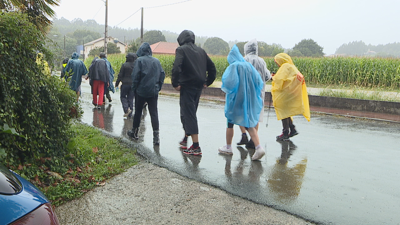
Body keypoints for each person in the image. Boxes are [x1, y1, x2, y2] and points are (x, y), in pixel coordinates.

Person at [171, 30, 217, 156]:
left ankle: (196, 146)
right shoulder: (201, 51)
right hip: (198, 87)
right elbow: (212, 68)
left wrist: (175, 83)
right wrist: (207, 82)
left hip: (187, 86)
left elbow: (176, 67)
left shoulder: (181, 50)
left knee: (188, 114)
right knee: (189, 113)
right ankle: (186, 138)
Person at [217, 45, 265, 161]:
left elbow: (228, 83)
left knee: (230, 122)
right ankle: (259, 147)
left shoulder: (234, 66)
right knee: (248, 123)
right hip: (248, 99)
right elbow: (259, 81)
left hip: (236, 99)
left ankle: (228, 147)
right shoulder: (248, 66)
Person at [127, 42, 165, 145]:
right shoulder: (156, 61)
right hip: (153, 91)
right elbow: (162, 75)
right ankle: (156, 137)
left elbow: (135, 76)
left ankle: (134, 132)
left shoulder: (139, 61)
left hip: (141, 91)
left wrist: (134, 89)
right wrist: (158, 88)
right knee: (154, 113)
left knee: (138, 112)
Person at [237, 39, 272, 148]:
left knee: (240, 114)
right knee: (255, 117)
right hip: (259, 94)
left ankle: (244, 134)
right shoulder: (262, 61)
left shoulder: (243, 60)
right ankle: (253, 140)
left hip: (245, 94)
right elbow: (267, 77)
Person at [271, 53, 310, 141]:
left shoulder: (285, 66)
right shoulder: (291, 66)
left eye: (276, 61)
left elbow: (279, 79)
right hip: (292, 93)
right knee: (286, 112)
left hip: (285, 94)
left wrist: (271, 77)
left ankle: (285, 132)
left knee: (283, 111)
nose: (276, 63)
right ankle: (292, 129)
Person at [115, 53, 138, 117]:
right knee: (130, 98)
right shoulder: (136, 66)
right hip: (133, 84)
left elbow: (120, 75)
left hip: (125, 84)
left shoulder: (124, 65)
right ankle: (130, 114)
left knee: (123, 97)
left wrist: (117, 83)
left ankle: (126, 109)